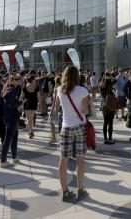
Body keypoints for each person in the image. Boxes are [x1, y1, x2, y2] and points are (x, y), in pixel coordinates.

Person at [52, 66, 90, 203]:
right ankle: (80, 190)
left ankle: (65, 192)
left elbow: (56, 107)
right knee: (80, 160)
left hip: (66, 127)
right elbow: (86, 111)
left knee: (63, 160)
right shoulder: (82, 90)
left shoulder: (59, 89)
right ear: (76, 75)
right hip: (79, 126)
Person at [0, 75, 22, 167]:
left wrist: (18, 103)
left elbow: (9, 103)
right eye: (16, 79)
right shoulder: (12, 90)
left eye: (19, 79)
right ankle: (3, 161)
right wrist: (20, 103)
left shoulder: (7, 89)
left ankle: (14, 158)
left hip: (8, 117)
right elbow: (11, 104)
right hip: (12, 117)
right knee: (8, 139)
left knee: (14, 137)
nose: (18, 81)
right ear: (11, 80)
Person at [99, 72, 117, 144]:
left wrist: (104, 77)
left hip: (103, 104)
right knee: (111, 122)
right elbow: (117, 79)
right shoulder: (110, 85)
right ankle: (110, 139)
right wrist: (110, 78)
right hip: (110, 104)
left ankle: (105, 139)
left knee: (105, 122)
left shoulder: (101, 86)